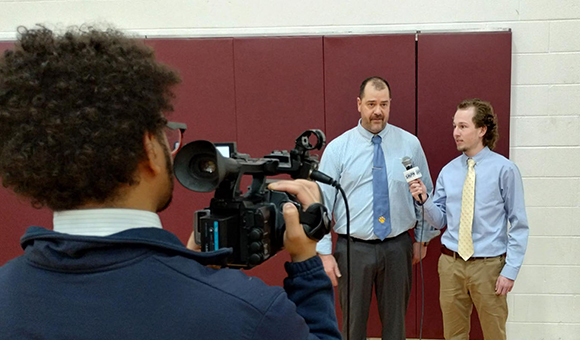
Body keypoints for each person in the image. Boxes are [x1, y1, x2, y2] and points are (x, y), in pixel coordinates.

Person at [0, 25, 341, 340]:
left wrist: (182, 264)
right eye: (167, 135)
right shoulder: (251, 314)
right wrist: (307, 265)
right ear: (148, 148)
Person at [316, 76, 439, 340]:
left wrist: (422, 239)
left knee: (396, 327)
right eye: (371, 104)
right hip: (352, 249)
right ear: (359, 104)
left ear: (390, 105)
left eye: (384, 104)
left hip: (397, 247)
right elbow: (322, 204)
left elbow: (424, 193)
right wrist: (325, 253)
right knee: (352, 326)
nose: (377, 111)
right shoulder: (338, 149)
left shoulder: (409, 145)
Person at [408, 98, 529, 340]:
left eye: (463, 127)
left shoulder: (505, 170)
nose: (456, 133)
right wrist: (424, 200)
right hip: (451, 264)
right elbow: (439, 221)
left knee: (494, 334)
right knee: (454, 335)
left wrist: (511, 270)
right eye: (455, 126)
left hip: (489, 267)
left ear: (482, 130)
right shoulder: (448, 171)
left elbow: (519, 224)